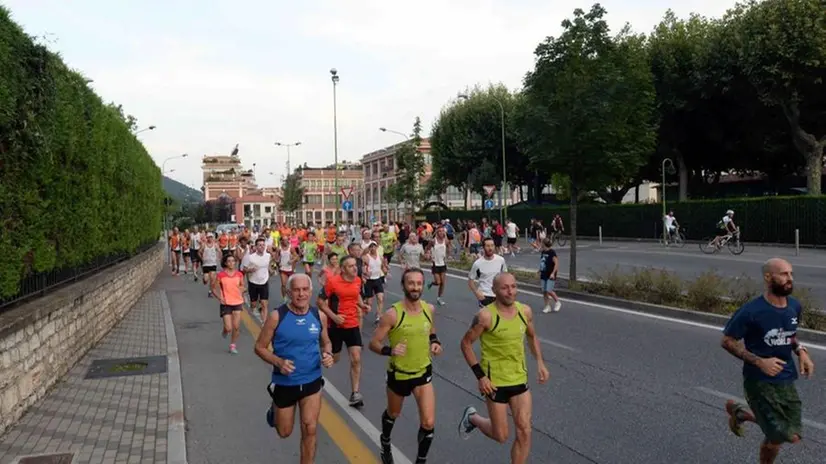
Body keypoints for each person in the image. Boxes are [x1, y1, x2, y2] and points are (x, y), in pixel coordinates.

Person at [721, 258, 815, 464]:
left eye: (790, 274)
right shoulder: (751, 311)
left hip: (786, 378)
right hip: (759, 382)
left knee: (794, 434)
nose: (789, 278)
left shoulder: (794, 306)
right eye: (783, 274)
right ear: (768, 277)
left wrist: (801, 351)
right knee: (777, 437)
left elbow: (789, 334)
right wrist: (759, 362)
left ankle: (741, 414)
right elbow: (727, 341)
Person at [458, 273, 549, 464]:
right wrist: (481, 377)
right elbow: (466, 344)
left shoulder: (525, 312)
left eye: (514, 287)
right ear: (494, 290)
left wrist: (540, 362)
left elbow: (532, 337)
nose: (510, 291)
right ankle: (473, 418)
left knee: (524, 430)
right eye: (505, 288)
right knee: (501, 436)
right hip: (494, 383)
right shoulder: (485, 316)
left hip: (519, 379)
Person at [255, 274, 335, 464]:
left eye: (305, 289)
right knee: (284, 432)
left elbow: (326, 342)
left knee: (310, 428)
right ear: (289, 293)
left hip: (312, 380)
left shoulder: (319, 316)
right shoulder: (277, 316)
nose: (301, 294)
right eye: (296, 290)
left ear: (310, 291)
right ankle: (275, 410)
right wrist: (278, 362)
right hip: (285, 383)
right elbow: (259, 347)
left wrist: (328, 354)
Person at [369, 268, 442, 464]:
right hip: (399, 374)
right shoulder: (393, 314)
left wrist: (435, 341)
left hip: (422, 372)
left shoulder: (429, 309)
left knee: (428, 422)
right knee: (393, 413)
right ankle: (385, 441)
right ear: (403, 286)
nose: (416, 287)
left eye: (419, 283)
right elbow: (373, 343)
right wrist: (389, 351)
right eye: (411, 283)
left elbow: (431, 329)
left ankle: (420, 461)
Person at [317, 255, 370, 407]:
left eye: (355, 265)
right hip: (336, 326)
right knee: (334, 359)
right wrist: (333, 316)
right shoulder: (332, 282)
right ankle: (312, 375)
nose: (355, 268)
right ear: (343, 269)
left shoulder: (358, 281)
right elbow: (320, 302)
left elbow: (356, 295)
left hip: (352, 324)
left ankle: (355, 393)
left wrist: (362, 305)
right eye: (350, 266)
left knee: (356, 358)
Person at [212, 254, 245, 354]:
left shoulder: (239, 274)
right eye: (229, 261)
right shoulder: (221, 275)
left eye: (233, 261)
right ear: (225, 263)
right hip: (226, 303)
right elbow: (213, 288)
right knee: (229, 327)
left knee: (236, 326)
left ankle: (233, 345)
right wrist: (220, 298)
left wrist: (242, 291)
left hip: (237, 302)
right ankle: (225, 330)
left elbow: (242, 286)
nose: (231, 263)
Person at [468, 238, 507, 307]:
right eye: (488, 246)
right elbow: (470, 281)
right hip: (485, 295)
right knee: (487, 317)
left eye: (492, 245)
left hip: (498, 295)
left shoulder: (501, 260)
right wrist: (477, 293)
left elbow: (505, 276)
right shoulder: (477, 263)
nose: (490, 248)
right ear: (483, 247)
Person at [242, 238, 273, 323]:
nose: (262, 247)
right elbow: (244, 269)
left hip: (264, 281)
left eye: (263, 245)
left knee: (264, 303)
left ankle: (264, 323)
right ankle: (254, 307)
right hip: (253, 282)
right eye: (260, 245)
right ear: (256, 247)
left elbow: (268, 266)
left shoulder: (268, 256)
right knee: (253, 304)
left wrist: (271, 271)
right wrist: (250, 270)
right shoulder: (250, 257)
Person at [426, 226, 449, 306]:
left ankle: (439, 298)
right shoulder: (433, 241)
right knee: (438, 282)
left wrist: (448, 256)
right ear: (437, 233)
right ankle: (432, 283)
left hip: (443, 264)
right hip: (435, 264)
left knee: (443, 283)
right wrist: (428, 254)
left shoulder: (445, 241)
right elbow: (427, 248)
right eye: (439, 231)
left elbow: (448, 249)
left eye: (443, 231)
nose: (441, 233)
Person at [538, 238, 561, 313]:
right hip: (543, 273)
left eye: (541, 243)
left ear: (544, 244)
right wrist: (539, 269)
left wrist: (553, 273)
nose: (541, 244)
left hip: (550, 274)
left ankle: (557, 302)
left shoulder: (552, 252)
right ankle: (547, 306)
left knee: (549, 290)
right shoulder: (543, 252)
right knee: (544, 291)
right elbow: (543, 262)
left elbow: (556, 264)